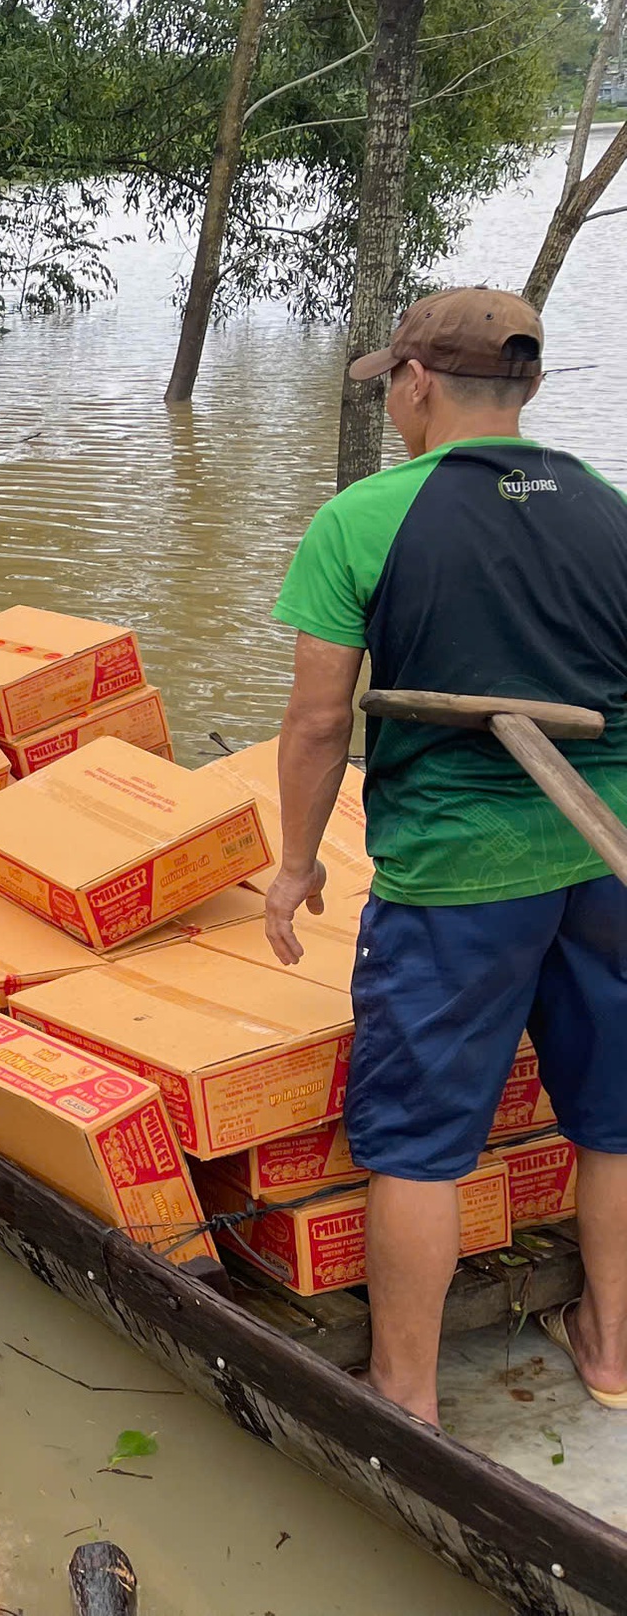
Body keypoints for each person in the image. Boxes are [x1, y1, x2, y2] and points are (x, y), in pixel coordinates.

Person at [265, 286, 627, 1427]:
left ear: (416, 383)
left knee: (419, 1142)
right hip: (605, 854)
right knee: (615, 1112)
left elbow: (319, 720)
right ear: (522, 389)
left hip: (457, 875)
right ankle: (613, 1350)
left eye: (394, 390)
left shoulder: (365, 519)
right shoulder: (610, 507)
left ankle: (404, 1396)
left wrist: (293, 863)